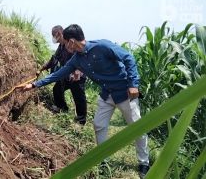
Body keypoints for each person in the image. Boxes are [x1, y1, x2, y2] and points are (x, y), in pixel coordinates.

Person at [18, 24, 150, 177]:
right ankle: (103, 158)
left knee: (137, 127)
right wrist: (34, 84)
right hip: (107, 94)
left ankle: (144, 162)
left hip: (125, 93)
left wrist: (133, 84)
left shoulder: (102, 46)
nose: (64, 45)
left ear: (72, 41)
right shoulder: (76, 60)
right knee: (99, 124)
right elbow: (58, 74)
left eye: (65, 42)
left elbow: (128, 57)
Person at [37, 25, 87, 125]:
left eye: (55, 36)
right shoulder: (61, 47)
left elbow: (81, 57)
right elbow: (54, 59)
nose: (55, 39)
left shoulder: (73, 44)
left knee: (78, 96)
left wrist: (77, 73)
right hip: (66, 74)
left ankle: (81, 121)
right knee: (57, 89)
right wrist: (42, 69)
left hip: (78, 75)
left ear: (60, 33)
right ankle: (62, 108)